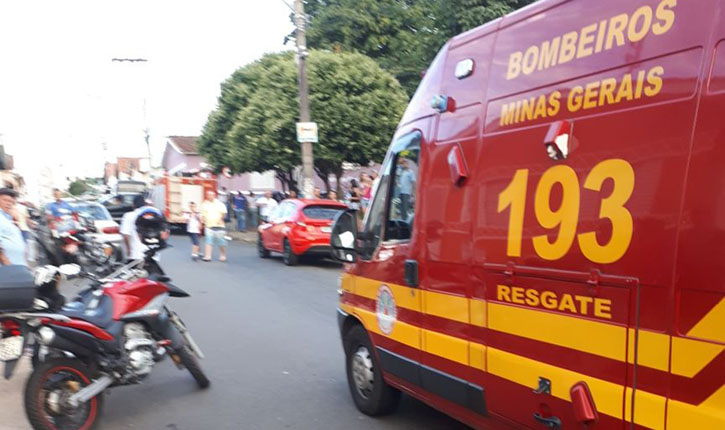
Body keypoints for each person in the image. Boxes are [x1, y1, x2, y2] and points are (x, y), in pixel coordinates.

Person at [120, 195, 154, 260]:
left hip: (136, 254)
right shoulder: (152, 216)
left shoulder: (128, 216)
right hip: (152, 254)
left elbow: (125, 235)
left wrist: (128, 250)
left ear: (133, 205)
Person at [0, 188, 26, 266]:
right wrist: (4, 260)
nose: (9, 204)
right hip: (6, 266)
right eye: (6, 200)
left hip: (16, 264)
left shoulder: (8, 218)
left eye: (11, 201)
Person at [201, 190, 228, 262]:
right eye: (208, 195)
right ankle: (208, 256)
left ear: (214, 196)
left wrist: (221, 219)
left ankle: (223, 255)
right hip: (209, 226)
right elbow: (203, 214)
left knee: (221, 242)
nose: (209, 196)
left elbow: (224, 213)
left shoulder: (220, 204)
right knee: (208, 241)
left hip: (219, 226)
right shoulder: (205, 204)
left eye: (211, 195)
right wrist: (202, 221)